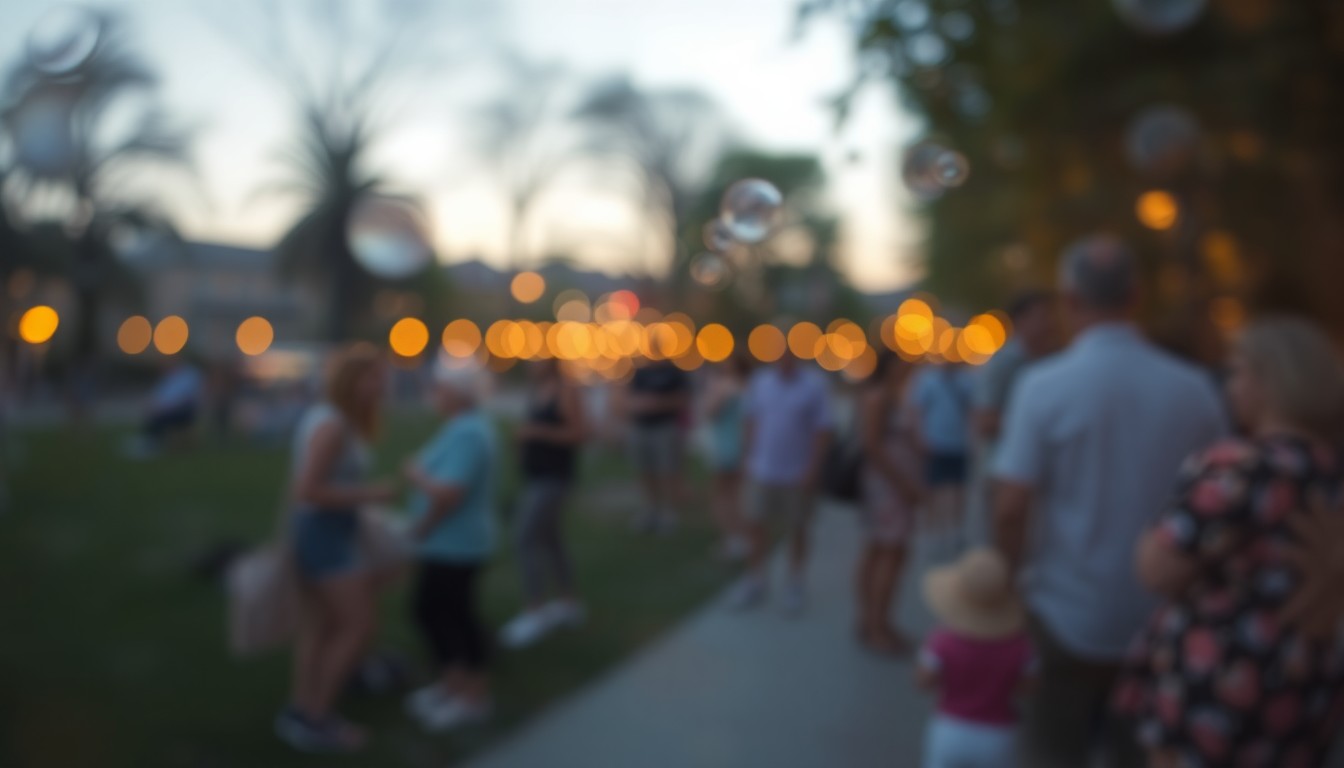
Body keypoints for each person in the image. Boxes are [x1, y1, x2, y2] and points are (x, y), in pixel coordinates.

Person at [991, 235, 1228, 767]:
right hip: (1161, 620)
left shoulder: (1042, 387)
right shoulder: (1194, 389)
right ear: (1136, 296)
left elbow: (1010, 508)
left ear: (1069, 299)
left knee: (1053, 752)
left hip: (1063, 612)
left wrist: (1006, 585)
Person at [1113, 317, 1344, 767]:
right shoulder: (1328, 469)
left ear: (1269, 381)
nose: (1231, 386)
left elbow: (1158, 569)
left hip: (1221, 684)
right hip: (1307, 683)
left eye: (1238, 371)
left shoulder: (1240, 467)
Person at [277, 344, 397, 753]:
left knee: (321, 627)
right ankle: (317, 718)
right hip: (326, 535)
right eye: (376, 377)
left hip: (321, 531)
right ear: (353, 380)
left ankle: (302, 710)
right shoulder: (333, 425)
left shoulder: (332, 418)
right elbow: (307, 489)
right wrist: (371, 494)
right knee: (357, 625)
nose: (384, 385)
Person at [402, 361, 500, 732]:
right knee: (436, 613)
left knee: (452, 618)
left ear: (458, 394)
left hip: (455, 544)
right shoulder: (463, 428)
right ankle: (451, 687)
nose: (435, 396)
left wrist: (417, 477)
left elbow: (450, 492)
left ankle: (471, 697)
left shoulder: (469, 433)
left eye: (440, 388)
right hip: (448, 542)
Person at [729, 350, 833, 614]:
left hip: (797, 474)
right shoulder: (761, 382)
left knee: (797, 528)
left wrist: (813, 468)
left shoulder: (815, 384)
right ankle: (755, 578)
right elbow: (751, 421)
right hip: (761, 471)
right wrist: (746, 459)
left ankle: (795, 583)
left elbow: (822, 430)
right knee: (755, 525)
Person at [917, 548, 1036, 768]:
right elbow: (1027, 688)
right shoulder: (1020, 646)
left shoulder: (942, 641)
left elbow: (925, 681)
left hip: (950, 728)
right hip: (998, 734)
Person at [500, 359, 588, 650]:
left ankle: (535, 611)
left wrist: (536, 433)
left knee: (524, 538)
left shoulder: (565, 391)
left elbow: (578, 434)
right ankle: (568, 601)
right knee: (552, 540)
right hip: (536, 475)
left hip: (554, 478)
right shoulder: (537, 391)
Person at [855, 351, 923, 655]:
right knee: (889, 553)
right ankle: (876, 625)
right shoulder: (880, 396)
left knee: (881, 551)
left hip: (892, 486)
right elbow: (872, 444)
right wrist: (903, 484)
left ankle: (875, 620)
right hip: (888, 488)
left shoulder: (895, 395)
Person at [972, 289, 1056, 449]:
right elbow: (984, 420)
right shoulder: (1004, 363)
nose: (1050, 323)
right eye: (1042, 317)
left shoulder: (1049, 358)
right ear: (1021, 320)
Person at [911, 361, 974, 556]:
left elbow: (972, 410)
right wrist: (920, 438)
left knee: (957, 490)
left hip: (958, 443)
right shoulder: (928, 379)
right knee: (933, 490)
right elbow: (918, 411)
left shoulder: (966, 380)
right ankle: (932, 533)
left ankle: (955, 531)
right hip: (935, 442)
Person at [625, 358, 692, 533]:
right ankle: (651, 509)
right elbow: (629, 398)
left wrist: (658, 403)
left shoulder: (674, 373)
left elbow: (683, 399)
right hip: (641, 427)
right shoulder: (640, 373)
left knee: (667, 471)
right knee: (645, 470)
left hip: (665, 427)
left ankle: (669, 512)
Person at [703, 353, 752, 561]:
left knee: (723, 496)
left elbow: (710, 411)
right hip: (740, 446)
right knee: (737, 494)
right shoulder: (748, 387)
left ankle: (733, 539)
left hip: (725, 447)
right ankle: (741, 538)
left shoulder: (726, 386)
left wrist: (713, 390)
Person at [131, 358, 204, 456]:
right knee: (154, 414)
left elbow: (185, 398)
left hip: (183, 412)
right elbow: (158, 395)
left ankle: (152, 444)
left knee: (159, 416)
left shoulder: (189, 376)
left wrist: (163, 408)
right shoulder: (169, 377)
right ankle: (149, 441)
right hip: (167, 409)